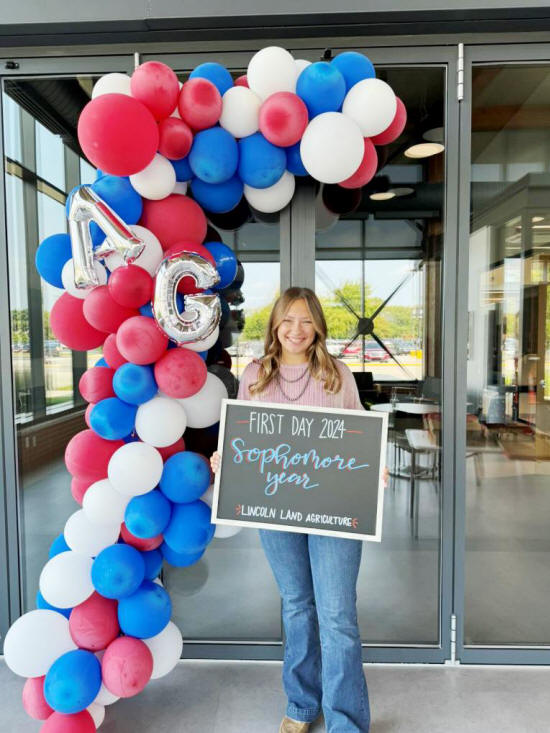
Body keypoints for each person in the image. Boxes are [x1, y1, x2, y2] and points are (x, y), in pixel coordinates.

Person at [210, 286, 388, 733]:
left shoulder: (337, 374)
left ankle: (346, 721)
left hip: (335, 510)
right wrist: (225, 457)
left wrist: (374, 465)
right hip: (276, 509)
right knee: (296, 607)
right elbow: (243, 439)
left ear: (318, 327)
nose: (296, 329)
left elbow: (359, 434)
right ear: (275, 324)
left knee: (337, 616)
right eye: (288, 319)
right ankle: (303, 704)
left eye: (307, 320)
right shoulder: (254, 374)